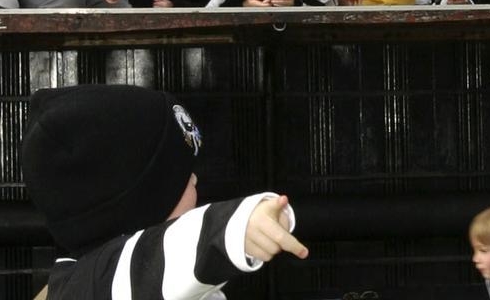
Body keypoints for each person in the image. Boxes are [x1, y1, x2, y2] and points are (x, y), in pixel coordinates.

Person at [21, 84, 307, 299]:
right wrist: (234, 227)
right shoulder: (88, 285)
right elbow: (160, 257)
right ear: (139, 205)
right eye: (179, 178)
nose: (195, 179)